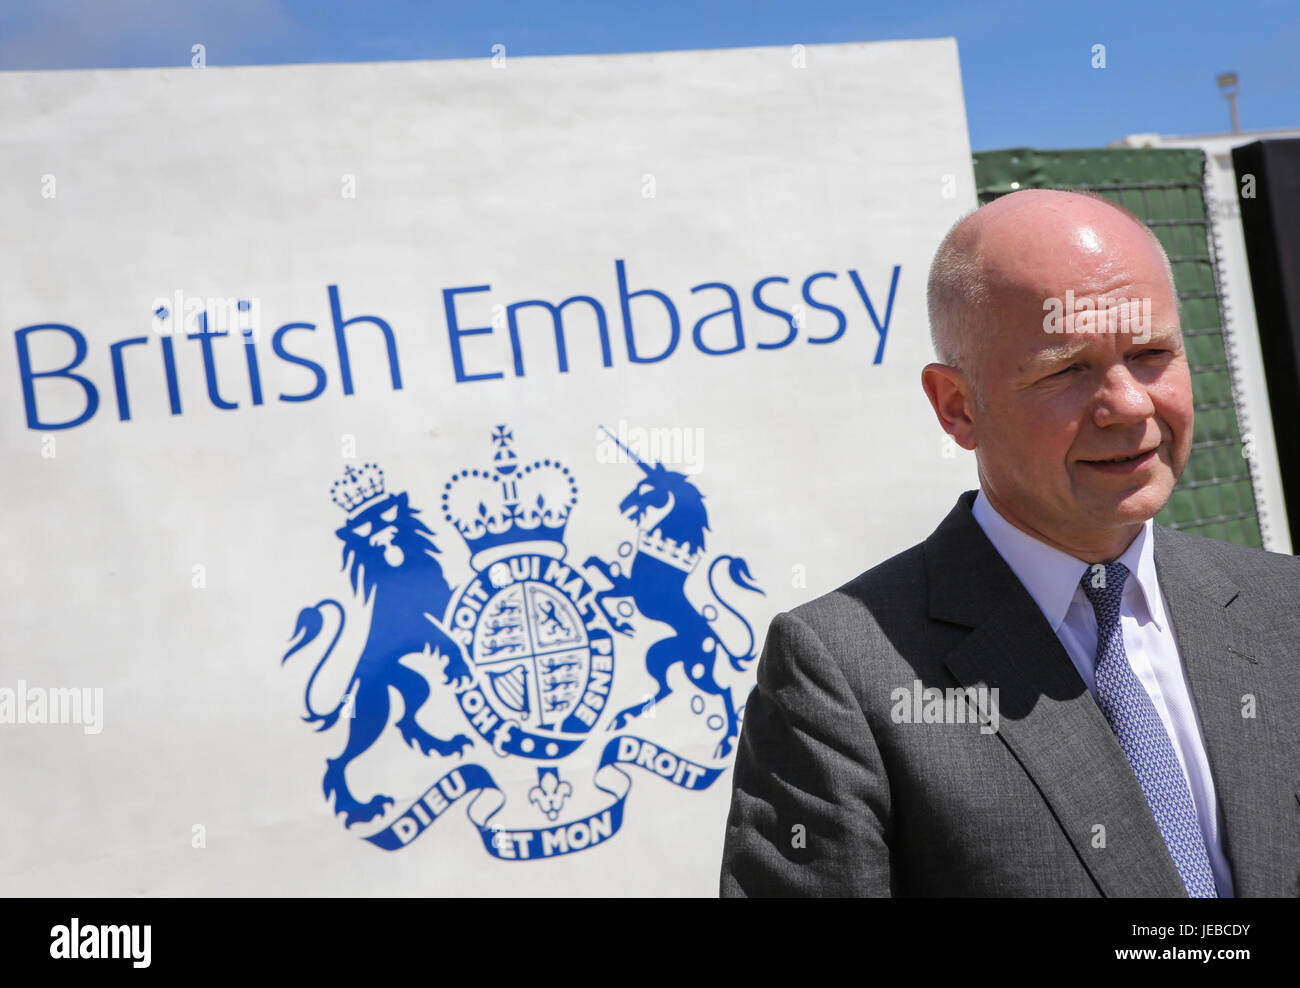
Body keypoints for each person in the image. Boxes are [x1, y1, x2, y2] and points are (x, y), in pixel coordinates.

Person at [719, 188, 1300, 897]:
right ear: (957, 407)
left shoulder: (1285, 605)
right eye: (1066, 369)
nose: (1130, 404)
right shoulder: (841, 678)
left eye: (1150, 354)